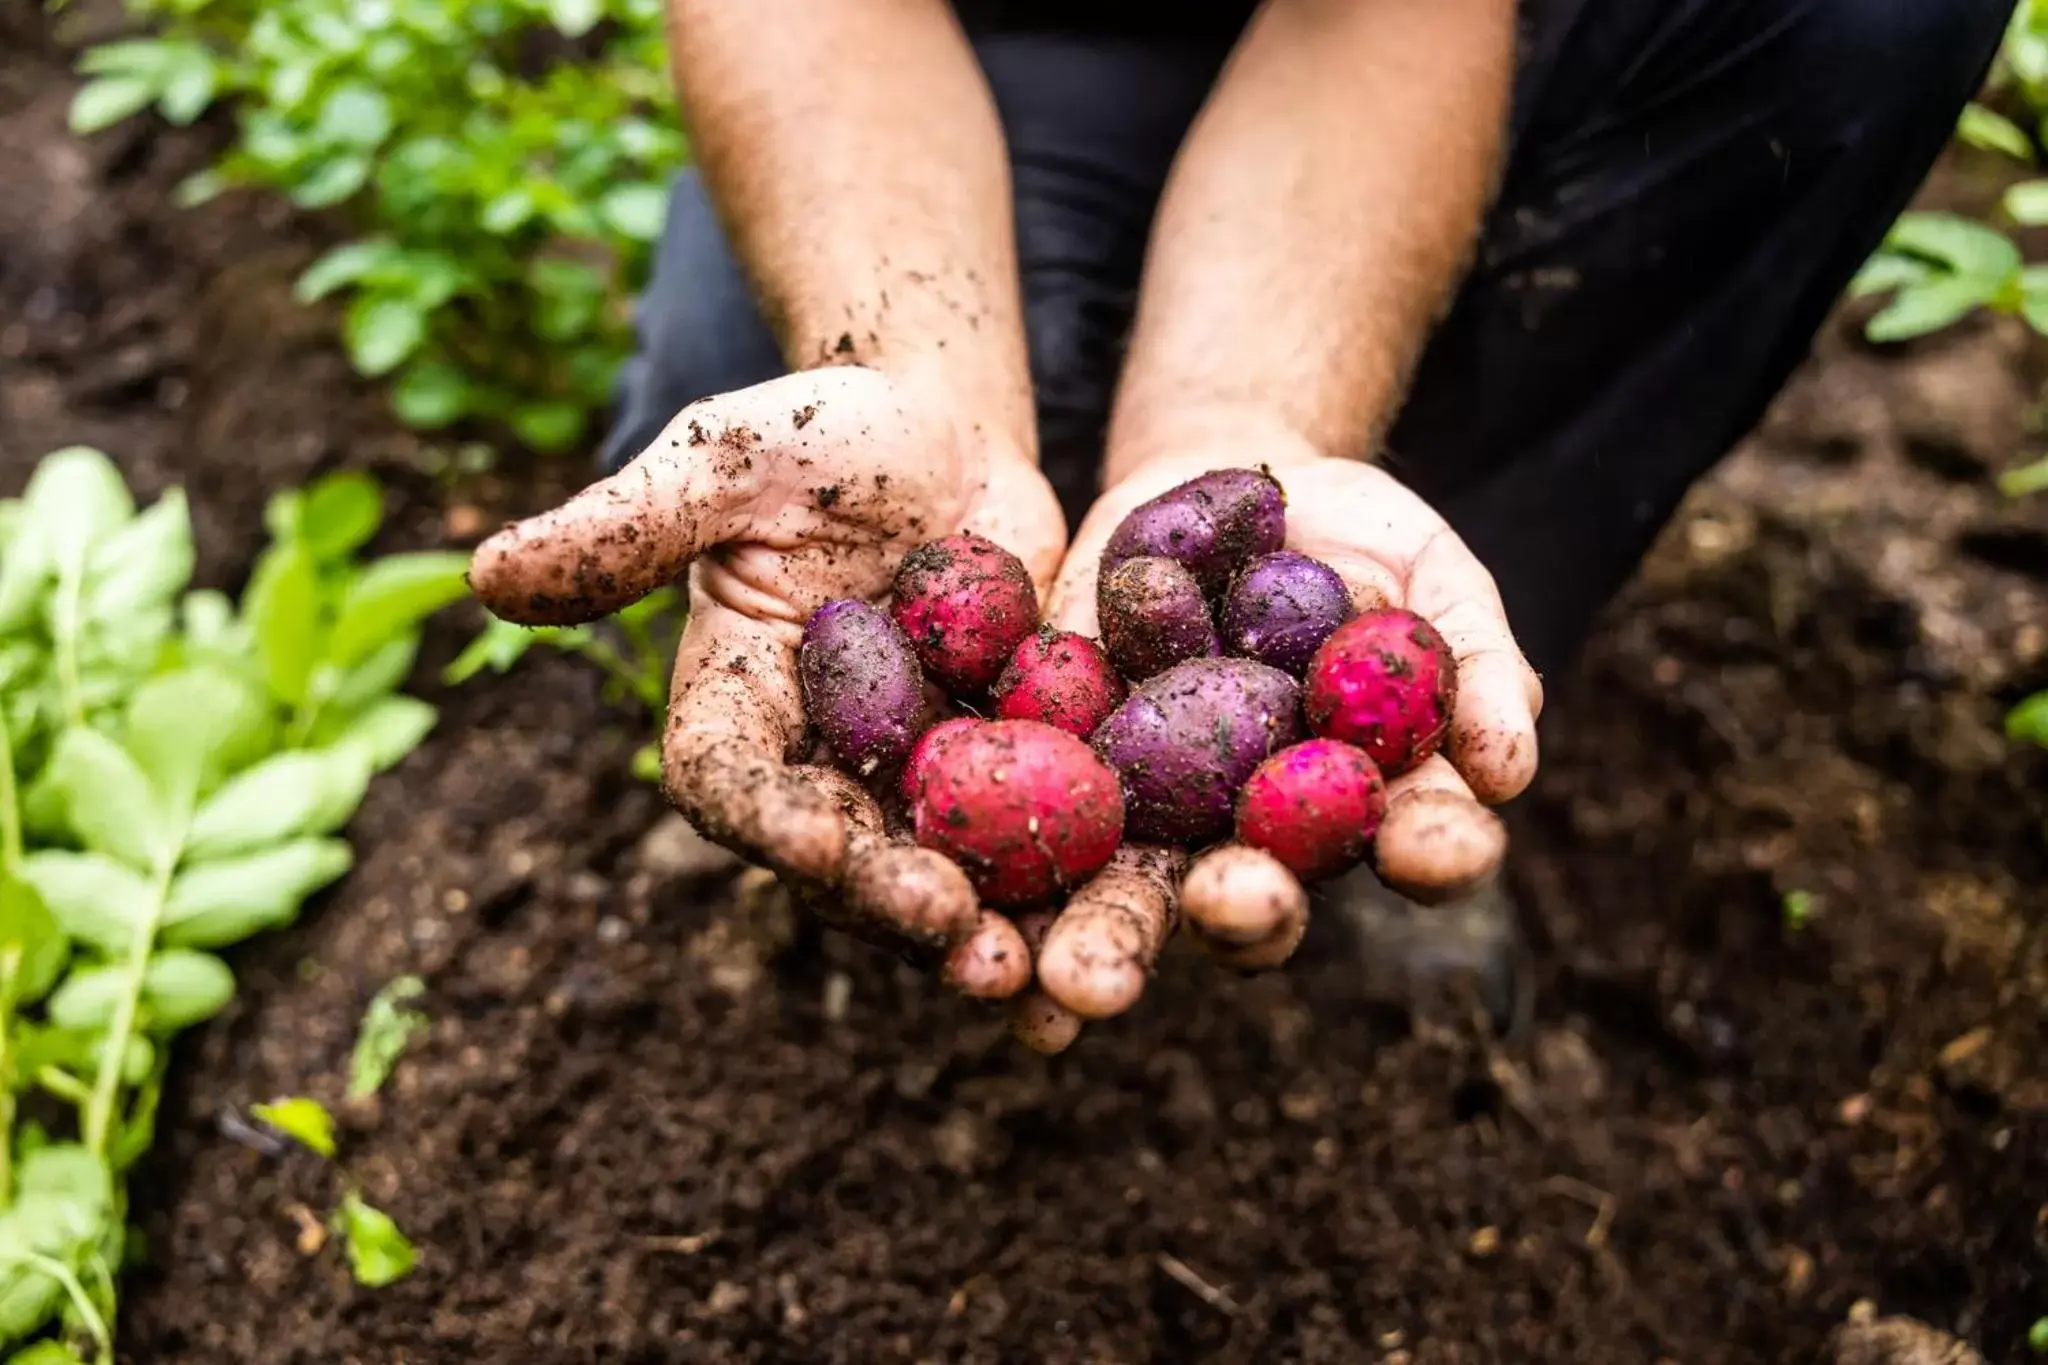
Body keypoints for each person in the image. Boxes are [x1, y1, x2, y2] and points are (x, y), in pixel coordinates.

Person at [470, 0, 2015, 1051]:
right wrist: (911, 367)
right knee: (742, 407)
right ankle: (1023, 431)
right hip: (968, 59)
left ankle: (1456, 538)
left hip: (1393, 70)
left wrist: (1242, 420)